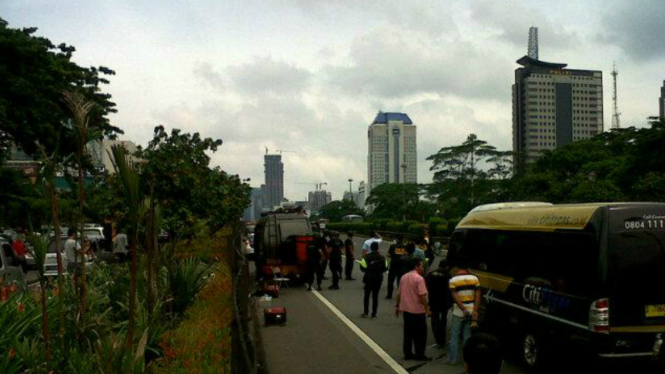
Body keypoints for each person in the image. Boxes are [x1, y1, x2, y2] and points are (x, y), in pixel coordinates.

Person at [396, 258, 431, 361]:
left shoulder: (404, 277)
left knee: (408, 334)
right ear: (416, 266)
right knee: (420, 335)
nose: (423, 268)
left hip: (406, 310)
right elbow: (422, 296)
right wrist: (427, 308)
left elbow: (399, 294)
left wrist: (397, 306)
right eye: (421, 266)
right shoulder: (419, 279)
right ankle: (420, 354)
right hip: (417, 311)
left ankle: (408, 353)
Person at [447, 266, 481, 365]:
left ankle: (452, 360)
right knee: (467, 336)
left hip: (458, 312)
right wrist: (475, 310)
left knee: (454, 336)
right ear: (468, 269)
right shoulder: (475, 279)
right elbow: (478, 296)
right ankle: (467, 361)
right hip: (471, 311)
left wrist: (463, 308)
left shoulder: (453, 280)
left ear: (457, 270)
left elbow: (455, 296)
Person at [426, 260, 452, 347]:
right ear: (447, 267)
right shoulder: (447, 276)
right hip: (444, 301)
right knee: (443, 319)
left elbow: (427, 286)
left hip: (433, 300)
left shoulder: (430, 275)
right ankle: (442, 339)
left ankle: (438, 339)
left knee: (435, 320)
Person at [359, 241, 387, 318]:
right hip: (378, 278)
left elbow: (362, 268)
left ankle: (366, 312)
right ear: (378, 248)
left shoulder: (366, 257)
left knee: (367, 295)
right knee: (375, 296)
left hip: (368, 278)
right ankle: (374, 313)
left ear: (371, 248)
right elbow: (385, 268)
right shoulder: (382, 258)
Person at [385, 235, 406, 299]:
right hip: (402, 265)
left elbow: (388, 254)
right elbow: (406, 254)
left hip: (393, 264)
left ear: (397, 239)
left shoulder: (393, 246)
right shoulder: (405, 247)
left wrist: (393, 256)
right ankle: (400, 295)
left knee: (390, 280)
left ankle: (389, 295)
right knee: (400, 281)